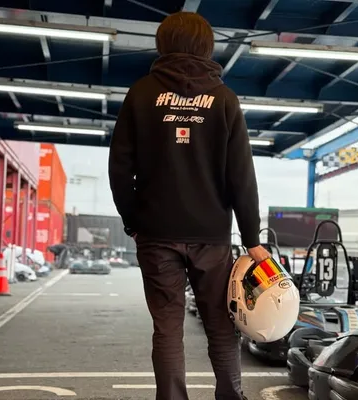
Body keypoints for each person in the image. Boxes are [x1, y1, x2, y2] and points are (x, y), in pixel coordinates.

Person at [108, 11, 270, 400]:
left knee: (167, 327)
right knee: (220, 324)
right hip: (211, 236)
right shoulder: (224, 99)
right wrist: (252, 238)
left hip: (156, 232)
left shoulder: (141, 94)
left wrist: (134, 220)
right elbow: (241, 175)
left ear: (163, 44)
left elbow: (120, 167)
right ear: (206, 46)